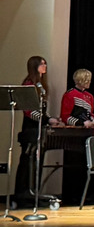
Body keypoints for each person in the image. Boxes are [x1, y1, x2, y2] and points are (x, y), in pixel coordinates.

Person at [15, 56, 60, 202]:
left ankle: (35, 192)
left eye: (45, 63)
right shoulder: (28, 85)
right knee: (28, 162)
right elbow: (29, 111)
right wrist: (48, 120)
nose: (45, 66)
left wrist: (50, 119)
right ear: (34, 67)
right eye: (42, 64)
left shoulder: (40, 85)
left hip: (39, 128)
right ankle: (23, 193)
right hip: (30, 129)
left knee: (37, 162)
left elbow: (41, 110)